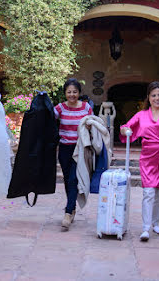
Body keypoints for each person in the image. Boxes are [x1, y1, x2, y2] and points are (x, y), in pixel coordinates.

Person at [119, 81, 159, 241]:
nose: (157, 98)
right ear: (149, 97)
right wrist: (125, 130)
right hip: (148, 157)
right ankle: (146, 228)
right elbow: (127, 126)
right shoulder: (141, 115)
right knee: (148, 192)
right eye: (153, 95)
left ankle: (156, 223)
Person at [54, 78, 93, 231]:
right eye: (69, 92)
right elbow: (47, 118)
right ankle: (72, 207)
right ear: (65, 93)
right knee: (67, 179)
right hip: (64, 148)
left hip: (80, 149)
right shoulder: (60, 108)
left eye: (74, 92)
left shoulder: (86, 108)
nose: (72, 95)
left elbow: (92, 125)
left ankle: (68, 212)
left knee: (73, 179)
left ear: (79, 93)